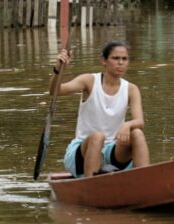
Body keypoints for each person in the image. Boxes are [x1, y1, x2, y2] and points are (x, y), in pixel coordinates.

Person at [50, 41, 150, 178]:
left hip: (112, 150)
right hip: (84, 149)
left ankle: (145, 179)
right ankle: (90, 183)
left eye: (124, 59)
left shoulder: (131, 89)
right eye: (115, 58)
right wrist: (58, 70)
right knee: (98, 136)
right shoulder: (89, 81)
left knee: (137, 133)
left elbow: (140, 121)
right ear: (104, 61)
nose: (120, 63)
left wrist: (127, 125)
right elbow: (55, 91)